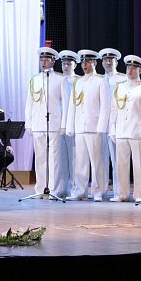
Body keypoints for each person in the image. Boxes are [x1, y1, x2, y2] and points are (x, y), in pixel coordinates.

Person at [108, 54, 141, 202]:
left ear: (140, 70)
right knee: (121, 164)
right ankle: (122, 194)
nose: (130, 70)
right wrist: (112, 129)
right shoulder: (120, 87)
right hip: (121, 130)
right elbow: (114, 110)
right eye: (128, 67)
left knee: (139, 164)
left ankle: (140, 194)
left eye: (134, 68)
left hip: (137, 131)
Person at [65, 49, 109, 201]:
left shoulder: (101, 81)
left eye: (88, 62)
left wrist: (101, 127)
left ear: (94, 63)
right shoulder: (78, 82)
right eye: (83, 62)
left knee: (97, 162)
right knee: (80, 162)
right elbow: (72, 106)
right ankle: (80, 191)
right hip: (80, 127)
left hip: (94, 127)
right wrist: (70, 126)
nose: (85, 65)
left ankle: (98, 192)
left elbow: (105, 106)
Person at [25, 47, 65, 195]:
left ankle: (54, 189)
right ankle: (40, 188)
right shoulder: (34, 80)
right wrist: (28, 123)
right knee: (40, 158)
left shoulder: (60, 79)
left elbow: (65, 104)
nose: (43, 62)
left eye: (46, 60)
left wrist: (63, 124)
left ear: (53, 61)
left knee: (54, 159)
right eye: (41, 59)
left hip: (54, 124)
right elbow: (29, 103)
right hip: (38, 124)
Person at [99, 47, 126, 196]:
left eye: (111, 60)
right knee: (100, 160)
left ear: (116, 62)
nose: (108, 62)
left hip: (117, 123)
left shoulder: (123, 79)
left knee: (117, 160)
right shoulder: (98, 79)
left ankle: (118, 191)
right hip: (99, 124)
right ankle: (100, 191)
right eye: (105, 60)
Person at [58, 50, 80, 196]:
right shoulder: (58, 80)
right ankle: (61, 188)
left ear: (74, 65)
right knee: (61, 159)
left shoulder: (78, 81)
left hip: (74, 123)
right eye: (64, 64)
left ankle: (74, 188)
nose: (66, 67)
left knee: (74, 159)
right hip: (58, 124)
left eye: (69, 64)